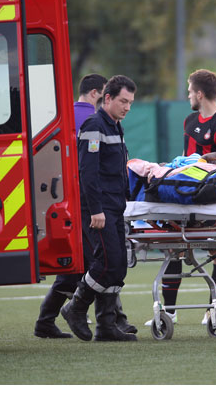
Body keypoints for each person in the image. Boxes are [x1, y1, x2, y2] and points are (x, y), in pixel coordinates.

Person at [35, 74, 140, 338]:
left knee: (118, 266)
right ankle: (76, 307)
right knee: (106, 263)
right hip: (100, 208)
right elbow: (88, 172)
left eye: (130, 102)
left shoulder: (114, 125)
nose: (127, 107)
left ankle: (106, 326)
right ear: (107, 98)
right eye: (123, 101)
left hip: (114, 206)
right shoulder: (95, 124)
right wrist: (96, 210)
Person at [147, 69, 216, 327]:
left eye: (189, 92)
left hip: (211, 202)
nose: (187, 96)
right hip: (185, 197)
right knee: (174, 249)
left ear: (199, 94)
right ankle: (169, 313)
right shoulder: (189, 121)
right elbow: (186, 158)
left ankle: (212, 311)